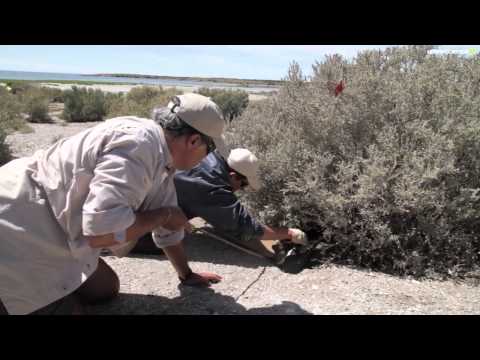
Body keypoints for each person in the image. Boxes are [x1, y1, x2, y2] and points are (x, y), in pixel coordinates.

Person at [0, 93, 227, 315]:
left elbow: (168, 224)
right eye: (210, 150)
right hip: (20, 224)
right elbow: (103, 234)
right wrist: (163, 216)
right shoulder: (139, 146)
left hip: (57, 228)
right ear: (194, 141)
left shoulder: (161, 155)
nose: (206, 158)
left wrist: (186, 275)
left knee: (105, 288)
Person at [133, 144, 308, 287]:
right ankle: (119, 243)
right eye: (244, 184)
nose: (241, 190)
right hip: (132, 218)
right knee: (174, 234)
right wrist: (289, 233)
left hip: (139, 196)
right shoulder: (211, 188)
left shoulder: (209, 155)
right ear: (233, 175)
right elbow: (247, 227)